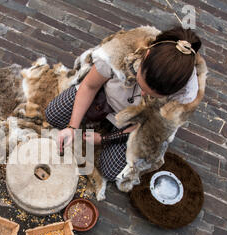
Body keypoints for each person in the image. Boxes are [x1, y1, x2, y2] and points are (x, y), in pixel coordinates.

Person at [45, 26, 202, 181]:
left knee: (110, 171)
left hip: (132, 122)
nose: (143, 95)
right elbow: (89, 86)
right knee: (53, 114)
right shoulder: (120, 49)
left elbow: (147, 126)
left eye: (153, 96)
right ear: (146, 56)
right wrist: (72, 127)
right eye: (142, 86)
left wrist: (105, 139)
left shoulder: (185, 96)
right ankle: (95, 120)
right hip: (102, 98)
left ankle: (108, 130)